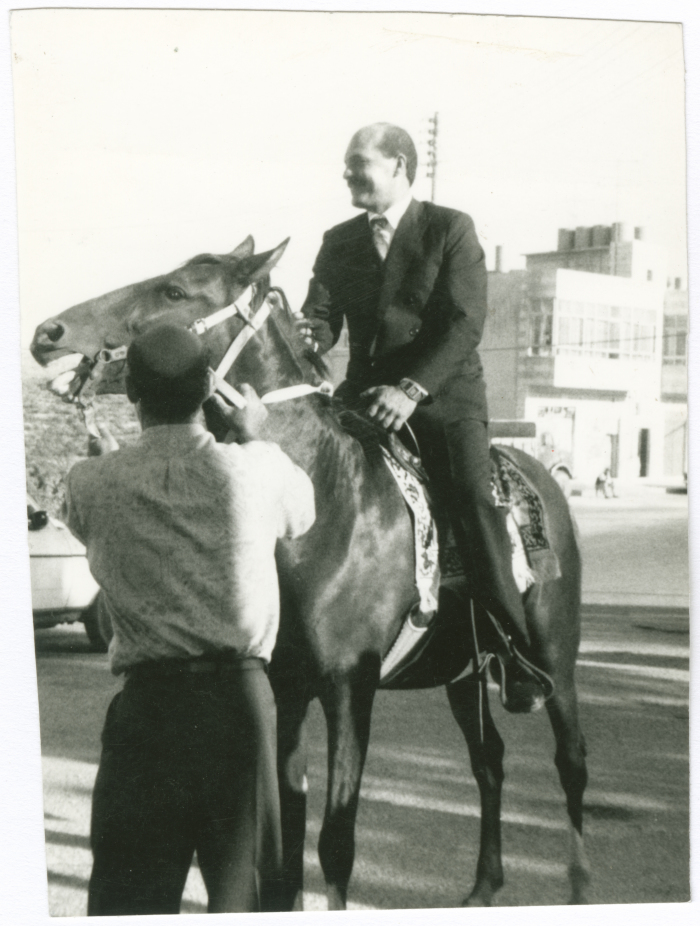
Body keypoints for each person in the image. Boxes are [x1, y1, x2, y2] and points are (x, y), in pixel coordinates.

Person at [300, 122, 553, 713]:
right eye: (345, 164)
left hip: (443, 400)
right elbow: (321, 315)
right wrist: (310, 330)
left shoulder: (450, 229)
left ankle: (516, 649)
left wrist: (412, 389)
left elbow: (464, 324)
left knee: (469, 496)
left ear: (399, 166)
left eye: (358, 163)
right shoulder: (338, 241)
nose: (347, 174)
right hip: (362, 401)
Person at [63, 325, 315, 915]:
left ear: (130, 391)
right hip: (240, 708)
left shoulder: (91, 481)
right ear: (208, 385)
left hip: (146, 714)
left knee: (130, 902)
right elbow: (300, 518)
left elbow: (89, 513)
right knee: (248, 898)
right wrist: (257, 436)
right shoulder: (261, 468)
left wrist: (111, 466)